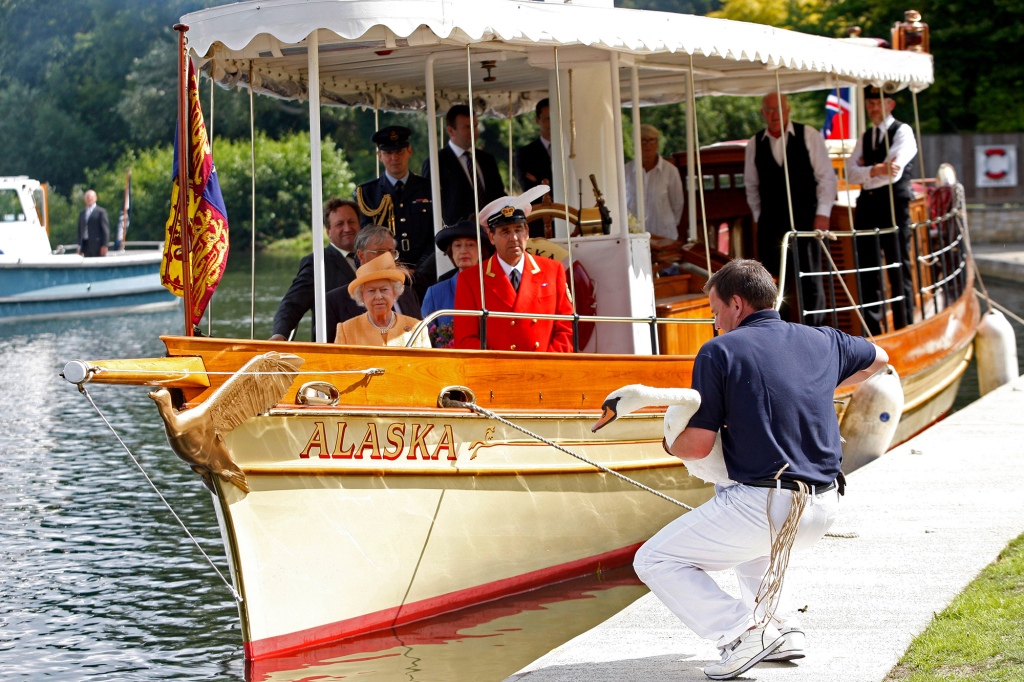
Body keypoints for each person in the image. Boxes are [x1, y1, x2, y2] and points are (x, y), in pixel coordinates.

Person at [632, 259, 887, 680]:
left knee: (655, 560)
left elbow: (696, 448)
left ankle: (742, 631)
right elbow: (879, 357)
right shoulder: (822, 340)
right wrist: (817, 382)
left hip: (769, 506)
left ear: (736, 303)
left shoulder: (720, 351)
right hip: (824, 505)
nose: (715, 324)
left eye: (715, 312)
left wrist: (667, 442)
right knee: (740, 526)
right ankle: (782, 627)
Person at [744, 93, 837, 323]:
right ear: (763, 114)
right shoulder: (755, 144)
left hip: (807, 221)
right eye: (769, 110)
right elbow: (751, 185)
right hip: (771, 226)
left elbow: (827, 178)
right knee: (773, 286)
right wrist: (759, 218)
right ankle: (778, 335)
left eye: (779, 109)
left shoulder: (809, 136)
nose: (775, 115)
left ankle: (818, 334)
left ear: (788, 110)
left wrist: (822, 213)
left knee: (811, 280)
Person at [454, 187, 574, 353]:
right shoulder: (472, 279)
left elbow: (566, 328)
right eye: (505, 231)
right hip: (498, 373)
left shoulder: (552, 270)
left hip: (546, 370)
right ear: (491, 237)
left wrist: (548, 364)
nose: (514, 238)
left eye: (518, 229)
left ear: (527, 232)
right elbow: (465, 338)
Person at [847, 85, 919, 335]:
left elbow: (894, 172)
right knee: (867, 267)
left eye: (877, 103)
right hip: (867, 206)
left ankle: (905, 325)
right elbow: (849, 172)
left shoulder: (903, 132)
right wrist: (877, 169)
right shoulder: (866, 137)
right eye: (869, 103)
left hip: (893, 206)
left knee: (899, 265)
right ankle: (873, 330)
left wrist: (868, 171)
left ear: (890, 105)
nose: (873, 108)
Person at [354, 125, 436, 298]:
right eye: (388, 153)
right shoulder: (367, 193)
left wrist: (420, 268)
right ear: (380, 156)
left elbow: (436, 234)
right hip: (383, 277)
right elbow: (364, 239)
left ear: (409, 151)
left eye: (399, 152)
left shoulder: (430, 189)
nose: (394, 158)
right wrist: (392, 268)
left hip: (425, 276)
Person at [270, 198, 362, 342]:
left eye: (351, 222)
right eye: (339, 224)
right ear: (328, 231)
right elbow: (292, 305)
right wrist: (280, 335)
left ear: (359, 225)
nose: (347, 228)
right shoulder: (317, 262)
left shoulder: (372, 257)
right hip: (333, 349)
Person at [324, 225, 422, 342]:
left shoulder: (408, 294)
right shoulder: (334, 301)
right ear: (361, 256)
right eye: (380, 252)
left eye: (391, 252)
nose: (387, 257)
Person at [422, 104, 505, 227]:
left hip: (491, 232)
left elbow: (499, 195)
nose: (474, 132)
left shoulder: (487, 159)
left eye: (475, 126)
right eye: (467, 127)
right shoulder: (436, 162)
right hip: (458, 235)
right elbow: (429, 203)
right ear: (451, 130)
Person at [334, 252, 430, 348]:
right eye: (371, 291)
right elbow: (338, 363)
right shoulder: (346, 330)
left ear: (394, 292)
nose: (379, 296)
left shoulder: (416, 328)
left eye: (384, 290)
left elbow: (428, 363)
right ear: (362, 296)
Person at [420, 220, 490, 348]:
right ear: (451, 251)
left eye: (470, 245)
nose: (463, 250)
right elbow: (424, 341)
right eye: (457, 245)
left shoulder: (494, 287)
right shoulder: (435, 293)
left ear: (481, 251)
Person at [624, 124, 685, 240]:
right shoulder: (625, 171)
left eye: (651, 140)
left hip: (664, 236)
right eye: (643, 140)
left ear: (657, 144)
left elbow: (678, 204)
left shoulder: (670, 171)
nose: (647, 145)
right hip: (635, 238)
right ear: (635, 144)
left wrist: (667, 224)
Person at [514, 98, 554, 238]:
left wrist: (539, 181)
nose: (553, 123)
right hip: (539, 225)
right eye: (548, 118)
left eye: (556, 117)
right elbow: (530, 191)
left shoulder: (572, 150)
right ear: (538, 120)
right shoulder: (525, 154)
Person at [77, 190, 110, 258]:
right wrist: (79, 246)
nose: (89, 199)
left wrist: (105, 245)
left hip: (97, 245)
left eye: (90, 197)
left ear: (95, 198)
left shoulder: (101, 212)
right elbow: (80, 230)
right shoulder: (82, 213)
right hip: (85, 245)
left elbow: (105, 230)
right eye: (87, 197)